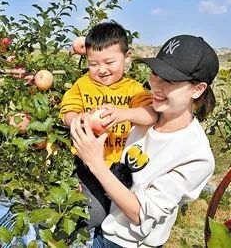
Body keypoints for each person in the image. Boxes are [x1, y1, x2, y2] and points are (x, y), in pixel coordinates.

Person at [70, 34, 219, 247]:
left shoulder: (196, 155)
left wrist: (95, 163)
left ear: (198, 89)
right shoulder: (144, 119)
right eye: (155, 74)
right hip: (104, 230)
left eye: (169, 80)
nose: (156, 86)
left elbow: (141, 214)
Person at [60, 21, 158, 229]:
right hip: (87, 164)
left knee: (119, 217)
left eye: (109, 62)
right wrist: (81, 120)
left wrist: (123, 114)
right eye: (93, 64)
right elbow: (68, 112)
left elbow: (151, 114)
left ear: (127, 57)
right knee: (93, 215)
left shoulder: (134, 89)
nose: (101, 70)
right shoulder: (83, 84)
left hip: (121, 168)